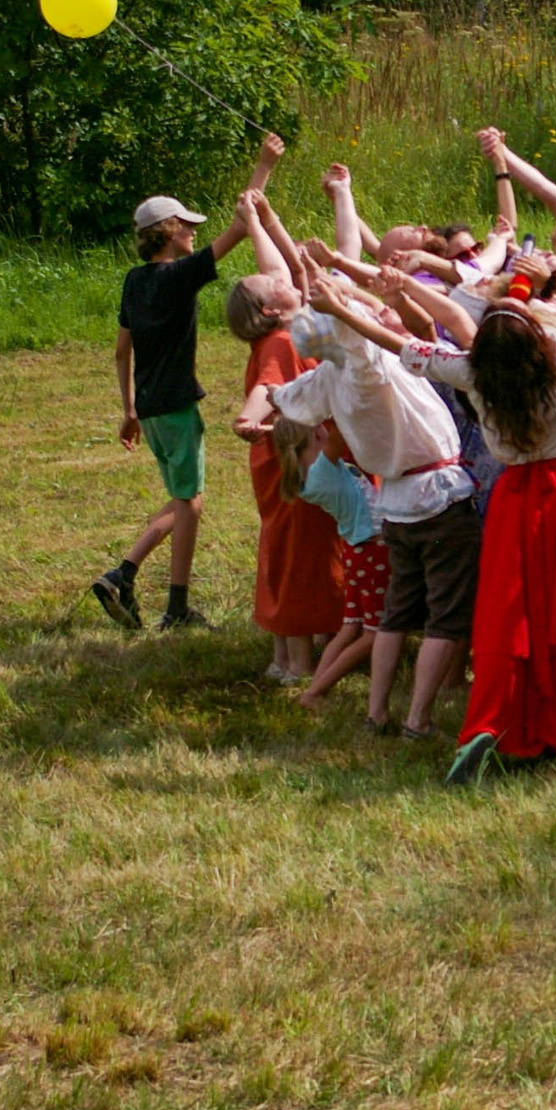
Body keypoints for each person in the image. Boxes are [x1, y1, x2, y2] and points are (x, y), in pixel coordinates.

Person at [353, 253, 556, 783]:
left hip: (514, 502)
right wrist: (554, 283)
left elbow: (402, 345)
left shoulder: (470, 370)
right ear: (538, 335)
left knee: (512, 618)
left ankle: (495, 721)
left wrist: (346, 311)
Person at [267, 274, 480, 740]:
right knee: (445, 616)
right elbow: (356, 340)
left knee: (395, 617)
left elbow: (288, 399)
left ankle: (377, 713)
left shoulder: (328, 376)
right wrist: (338, 307)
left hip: (397, 507)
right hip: (436, 498)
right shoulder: (365, 367)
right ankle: (417, 720)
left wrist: (332, 296)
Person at [90, 132, 284, 631]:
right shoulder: (178, 278)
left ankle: (140, 584)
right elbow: (243, 226)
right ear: (170, 230)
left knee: (185, 498)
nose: (195, 233)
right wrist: (263, 165)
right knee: (190, 502)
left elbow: (121, 349)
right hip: (175, 407)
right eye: (188, 227)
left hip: (151, 410)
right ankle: (149, 591)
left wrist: (129, 409)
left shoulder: (134, 281)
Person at [225, 190, 345, 683]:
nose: (285, 278)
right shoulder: (280, 340)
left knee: (293, 553)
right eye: (275, 284)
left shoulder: (289, 324)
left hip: (299, 455)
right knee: (298, 557)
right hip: (295, 461)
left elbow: (281, 267)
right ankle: (294, 663)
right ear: (271, 309)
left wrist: (261, 219)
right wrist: (247, 420)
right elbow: (267, 388)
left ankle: (293, 653)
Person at [290, 426, 388, 710]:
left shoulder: (308, 478)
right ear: (312, 440)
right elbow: (342, 430)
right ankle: (316, 691)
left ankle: (315, 688)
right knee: (373, 634)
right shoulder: (323, 469)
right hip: (373, 551)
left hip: (357, 551)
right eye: (318, 431)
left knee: (350, 628)